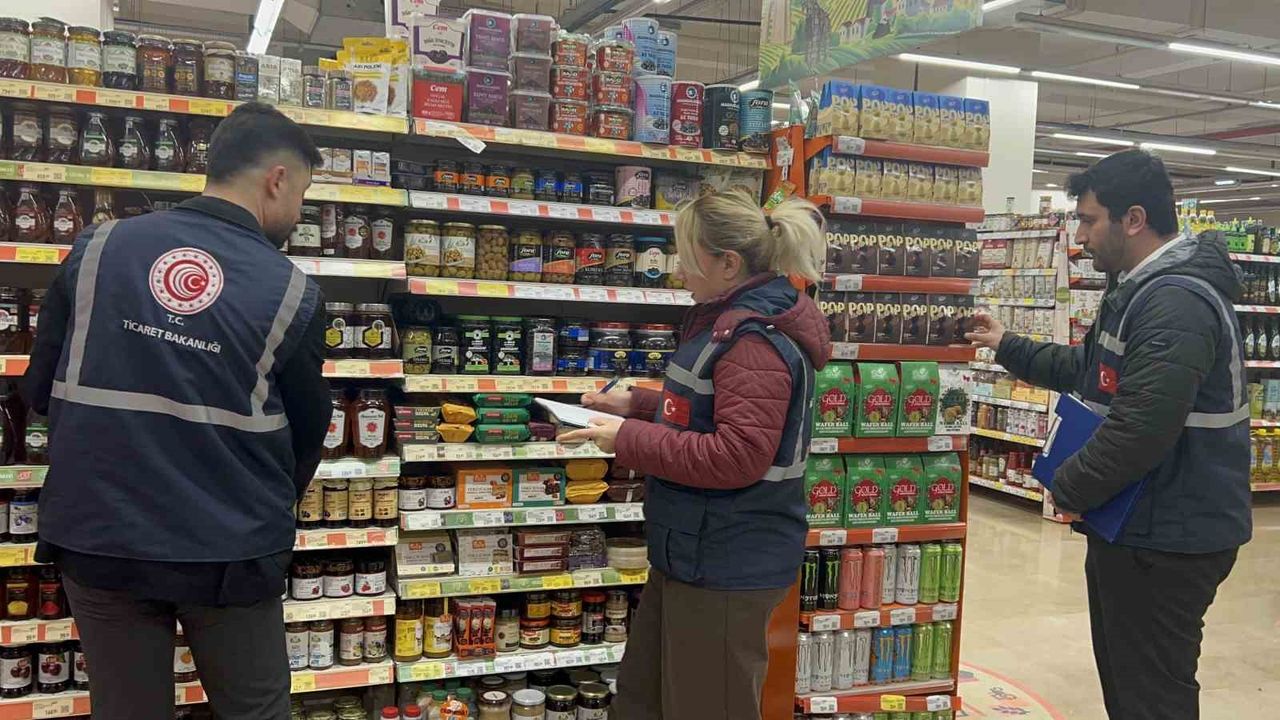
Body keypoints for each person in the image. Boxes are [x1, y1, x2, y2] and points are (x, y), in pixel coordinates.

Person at [22, 102, 331, 720]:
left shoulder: (99, 247)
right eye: (301, 194)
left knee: (127, 710)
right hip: (228, 548)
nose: (298, 213)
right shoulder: (290, 289)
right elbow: (308, 432)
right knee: (255, 711)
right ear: (276, 180)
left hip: (99, 535)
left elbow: (39, 390)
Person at [966, 149, 1251, 720]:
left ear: (1134, 219)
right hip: (1144, 520)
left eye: (1089, 220)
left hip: (1169, 532)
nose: (1079, 236)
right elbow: (1088, 368)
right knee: (1131, 682)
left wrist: (1068, 486)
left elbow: (1141, 426)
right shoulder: (1140, 291)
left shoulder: (1174, 302)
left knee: (1151, 694)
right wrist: (1006, 344)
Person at [558, 189, 831, 720]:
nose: (677, 271)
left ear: (728, 264)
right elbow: (706, 411)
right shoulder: (726, 321)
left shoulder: (753, 340)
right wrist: (637, 405)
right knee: (644, 699)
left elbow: (737, 455)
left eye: (686, 257)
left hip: (727, 561)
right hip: (693, 549)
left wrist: (625, 438)